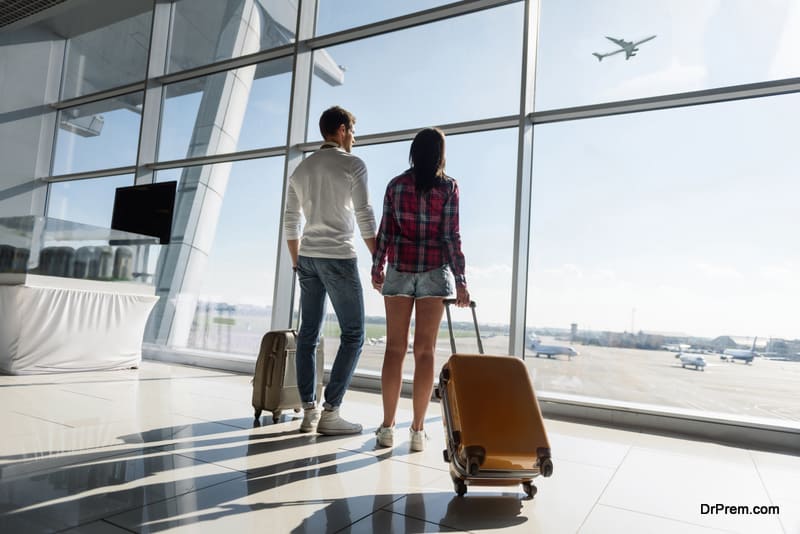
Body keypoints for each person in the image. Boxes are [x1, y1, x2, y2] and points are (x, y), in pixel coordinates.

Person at [371, 127, 470, 451]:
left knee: (394, 350)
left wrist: (378, 267)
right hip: (433, 273)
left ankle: (387, 428)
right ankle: (416, 431)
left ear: (413, 152)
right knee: (424, 352)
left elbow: (385, 231)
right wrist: (461, 280)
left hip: (399, 270)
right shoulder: (449, 187)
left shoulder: (396, 186)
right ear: (440, 154)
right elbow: (451, 237)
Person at [283, 105, 376, 435]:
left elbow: (291, 221)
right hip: (338, 257)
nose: (353, 137)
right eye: (351, 130)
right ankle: (331, 412)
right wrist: (378, 257)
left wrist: (298, 260)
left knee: (308, 334)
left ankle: (308, 411)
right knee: (353, 334)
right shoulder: (352, 164)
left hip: (307, 257)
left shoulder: (301, 169)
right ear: (339, 130)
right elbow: (364, 213)